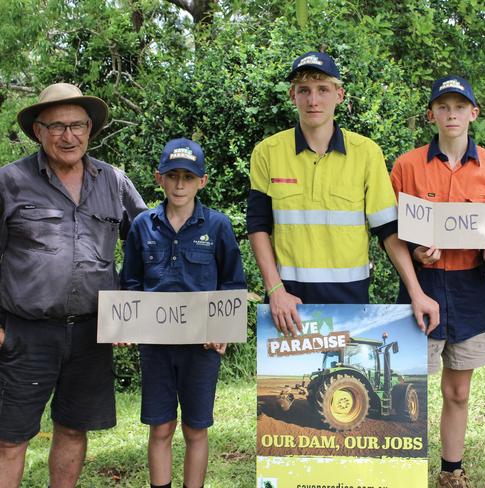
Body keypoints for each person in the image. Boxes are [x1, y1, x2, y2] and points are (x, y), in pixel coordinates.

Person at [0, 83, 147, 488]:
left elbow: (148, 244)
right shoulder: (9, 182)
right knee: (10, 438)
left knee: (72, 428)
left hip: (92, 332)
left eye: (78, 126)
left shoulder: (114, 181)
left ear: (90, 129)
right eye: (57, 127)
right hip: (25, 332)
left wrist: (136, 309)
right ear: (38, 131)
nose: (69, 136)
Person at [246, 51, 439, 335]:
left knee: (346, 380)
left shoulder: (366, 153)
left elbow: (388, 230)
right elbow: (258, 226)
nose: (313, 100)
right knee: (290, 382)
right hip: (288, 304)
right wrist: (275, 290)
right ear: (292, 95)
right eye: (305, 91)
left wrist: (416, 292)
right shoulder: (267, 152)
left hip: (351, 302)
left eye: (323, 89)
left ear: (339, 95)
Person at [390, 75, 485, 488]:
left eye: (460, 106)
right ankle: (402, 472)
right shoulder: (406, 165)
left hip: (470, 290)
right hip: (420, 288)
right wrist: (418, 253)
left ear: (473, 113)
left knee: (458, 391)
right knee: (407, 390)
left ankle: (451, 470)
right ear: (431, 115)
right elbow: (394, 237)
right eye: (443, 106)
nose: (452, 113)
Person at [121, 138, 246, 488]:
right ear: (158, 178)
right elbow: (130, 282)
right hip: (156, 347)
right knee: (160, 426)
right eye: (172, 176)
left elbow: (233, 283)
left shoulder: (218, 226)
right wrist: (126, 325)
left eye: (188, 177)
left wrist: (221, 329)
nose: (179, 184)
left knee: (195, 427)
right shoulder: (142, 225)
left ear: (201, 182)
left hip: (201, 348)